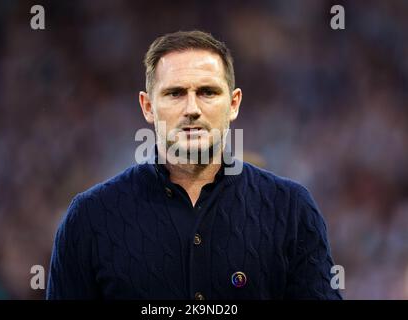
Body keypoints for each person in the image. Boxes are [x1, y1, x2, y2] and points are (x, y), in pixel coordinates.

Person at [46, 30, 342, 300]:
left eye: (207, 92)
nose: (192, 109)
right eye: (175, 93)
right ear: (148, 106)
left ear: (234, 103)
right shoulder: (88, 219)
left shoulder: (290, 210)